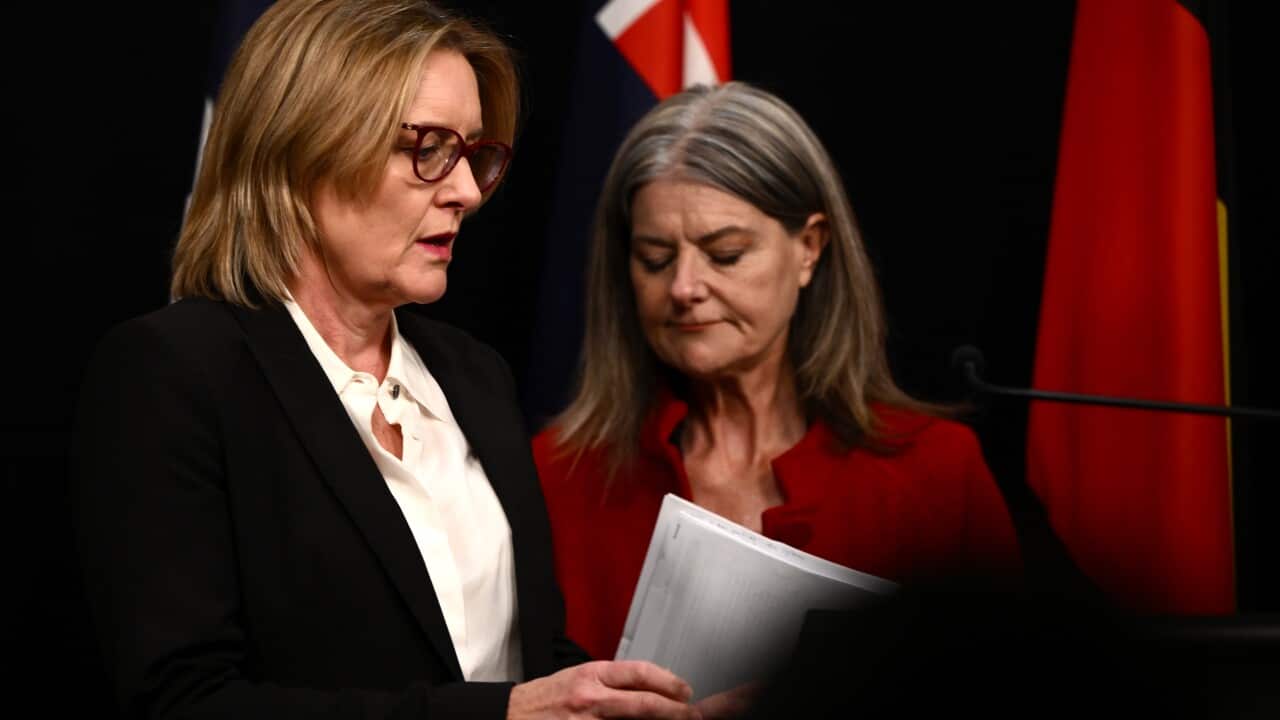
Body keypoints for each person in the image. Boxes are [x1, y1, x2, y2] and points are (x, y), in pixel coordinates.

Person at [69, 2, 700, 718]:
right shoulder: (172, 374)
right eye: (428, 148)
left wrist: (656, 705)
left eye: (473, 154)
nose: (466, 192)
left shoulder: (474, 374)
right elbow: (182, 700)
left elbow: (523, 660)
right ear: (304, 150)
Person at [532, 81, 1022, 664]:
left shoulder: (936, 473)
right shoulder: (559, 475)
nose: (684, 287)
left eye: (725, 254)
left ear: (809, 248)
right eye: (655, 259)